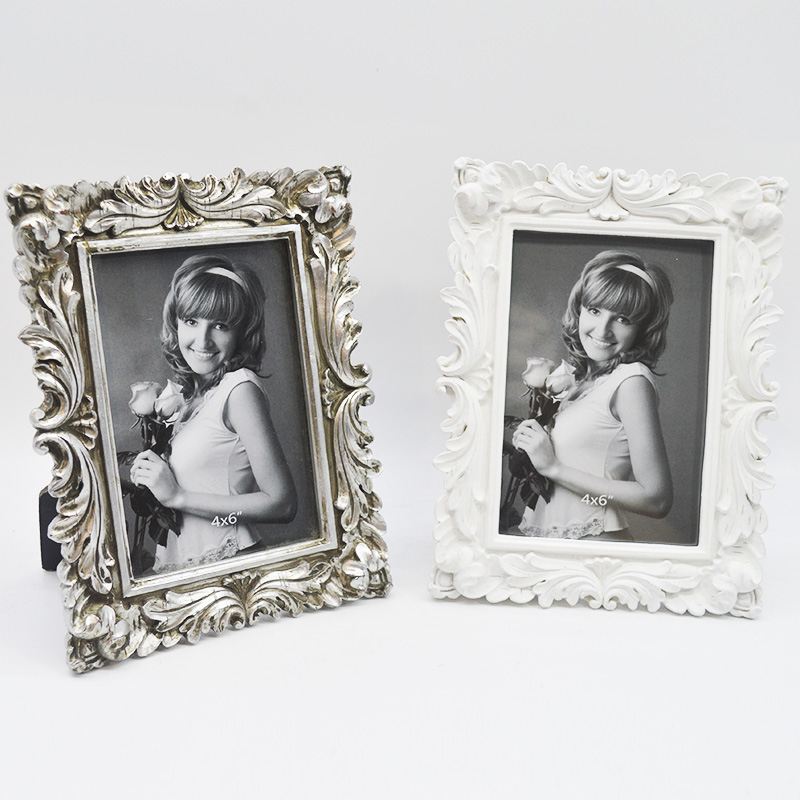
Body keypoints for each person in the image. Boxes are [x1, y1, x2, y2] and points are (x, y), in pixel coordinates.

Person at [131, 254, 298, 573]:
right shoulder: (189, 396)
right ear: (176, 322)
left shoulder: (239, 388)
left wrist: (178, 497)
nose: (203, 341)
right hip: (185, 565)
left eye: (220, 325)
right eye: (191, 321)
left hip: (229, 563)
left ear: (241, 331)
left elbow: (282, 504)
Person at [511, 250, 674, 541]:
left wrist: (554, 468)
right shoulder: (581, 380)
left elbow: (656, 500)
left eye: (622, 319)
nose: (603, 330)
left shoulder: (631, 381)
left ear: (642, 329)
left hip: (595, 546)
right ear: (580, 310)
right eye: (595, 310)